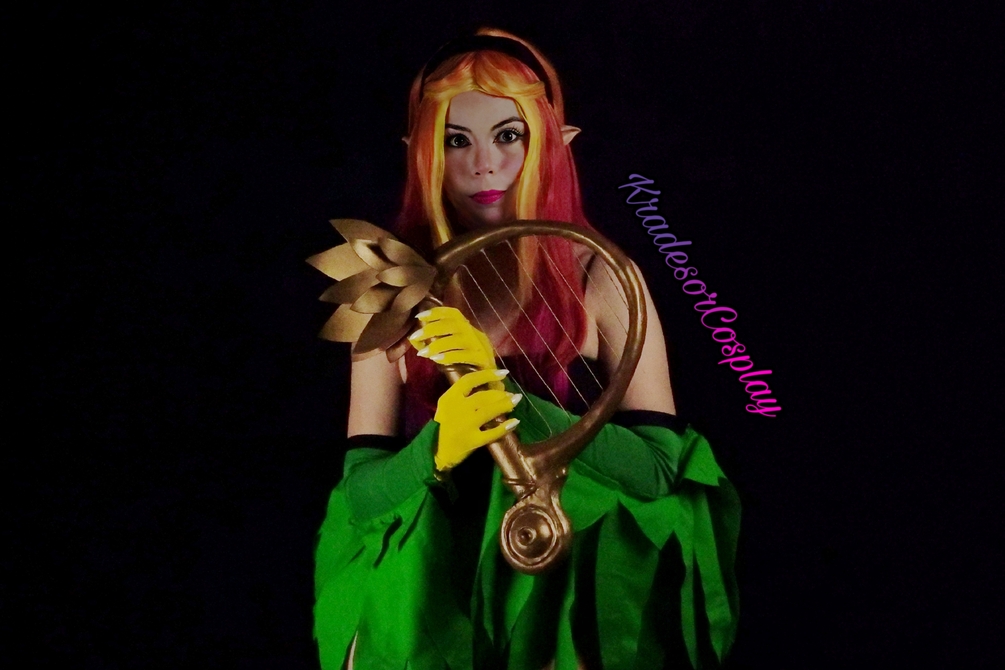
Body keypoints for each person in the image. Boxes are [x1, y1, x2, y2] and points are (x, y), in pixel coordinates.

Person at [313, 29, 739, 670]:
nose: (484, 164)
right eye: (455, 140)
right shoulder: (388, 286)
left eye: (508, 135)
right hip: (434, 605)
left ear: (553, 143)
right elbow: (361, 499)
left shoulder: (604, 280)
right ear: (420, 154)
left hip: (566, 610)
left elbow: (658, 473)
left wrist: (504, 396)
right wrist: (437, 449)